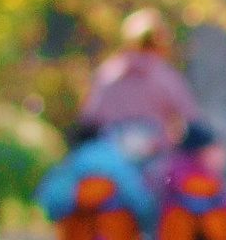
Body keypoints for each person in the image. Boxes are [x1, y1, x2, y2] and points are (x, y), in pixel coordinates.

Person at [77, 11, 197, 153]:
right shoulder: (165, 76)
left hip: (113, 157)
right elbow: (190, 118)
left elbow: (89, 117)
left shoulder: (107, 73)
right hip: (156, 156)